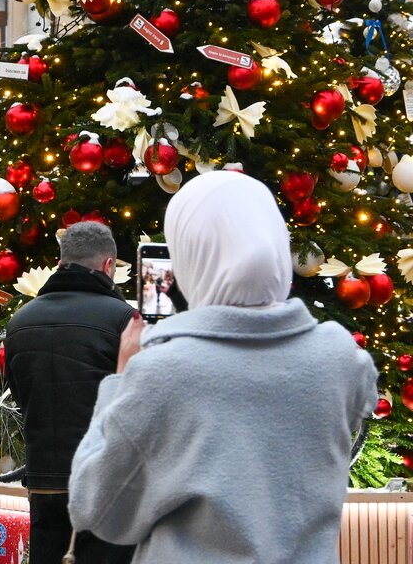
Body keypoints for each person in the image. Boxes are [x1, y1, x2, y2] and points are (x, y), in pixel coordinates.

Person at [69, 172, 378, 563]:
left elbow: (95, 508)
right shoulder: (340, 356)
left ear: (189, 255)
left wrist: (121, 378)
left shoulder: (163, 371)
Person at [4, 221, 135, 564]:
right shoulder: (124, 319)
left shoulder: (21, 320)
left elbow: (18, 394)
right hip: (105, 482)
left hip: (44, 479)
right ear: (108, 265)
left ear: (61, 260)